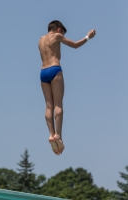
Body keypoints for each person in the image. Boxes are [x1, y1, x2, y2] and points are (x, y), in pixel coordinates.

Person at [38, 20, 96, 155]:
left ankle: (51, 134)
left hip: (43, 72)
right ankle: (58, 135)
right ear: (58, 29)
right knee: (58, 104)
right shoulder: (57, 36)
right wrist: (88, 37)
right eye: (63, 33)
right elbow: (75, 45)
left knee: (48, 106)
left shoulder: (41, 39)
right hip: (54, 69)